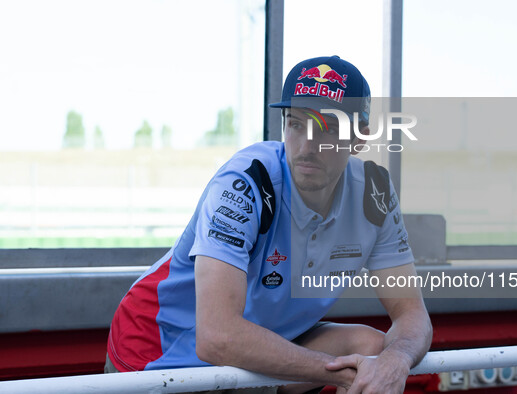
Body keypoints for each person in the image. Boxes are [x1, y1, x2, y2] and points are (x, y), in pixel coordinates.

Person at [106, 55, 432, 393]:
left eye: (328, 128)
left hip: (253, 348)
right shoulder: (247, 182)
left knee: (372, 349)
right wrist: (338, 373)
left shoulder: (373, 193)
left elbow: (411, 313)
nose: (307, 146)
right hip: (159, 353)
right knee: (360, 366)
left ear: (360, 138)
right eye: (296, 124)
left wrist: (396, 362)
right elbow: (216, 337)